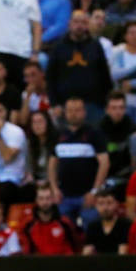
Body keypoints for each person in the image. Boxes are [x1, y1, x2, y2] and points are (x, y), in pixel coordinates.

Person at [49, 96, 109, 229]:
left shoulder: (94, 134)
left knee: (90, 231)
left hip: (87, 196)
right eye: (70, 110)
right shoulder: (58, 134)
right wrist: (54, 188)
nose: (73, 114)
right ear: (65, 113)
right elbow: (52, 164)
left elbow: (104, 163)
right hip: (64, 196)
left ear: (84, 112)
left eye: (77, 110)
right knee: (65, 233)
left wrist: (94, 191)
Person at [46, 10, 112, 122]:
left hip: (93, 105)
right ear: (69, 24)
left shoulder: (95, 46)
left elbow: (104, 76)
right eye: (76, 22)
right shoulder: (59, 47)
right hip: (64, 106)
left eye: (83, 22)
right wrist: (54, 103)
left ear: (87, 25)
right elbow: (51, 77)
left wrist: (103, 102)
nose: (79, 26)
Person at [22, 183, 76, 255]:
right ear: (36, 200)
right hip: (38, 264)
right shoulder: (28, 224)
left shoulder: (65, 223)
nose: (45, 202)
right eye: (41, 198)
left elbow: (74, 247)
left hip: (62, 264)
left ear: (53, 199)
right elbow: (26, 251)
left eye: (48, 198)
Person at [83, 189, 130, 255]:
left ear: (116, 204)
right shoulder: (93, 226)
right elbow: (87, 252)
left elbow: (123, 254)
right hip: (98, 263)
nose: (105, 208)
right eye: (101, 203)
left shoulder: (125, 225)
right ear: (96, 206)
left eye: (109, 203)